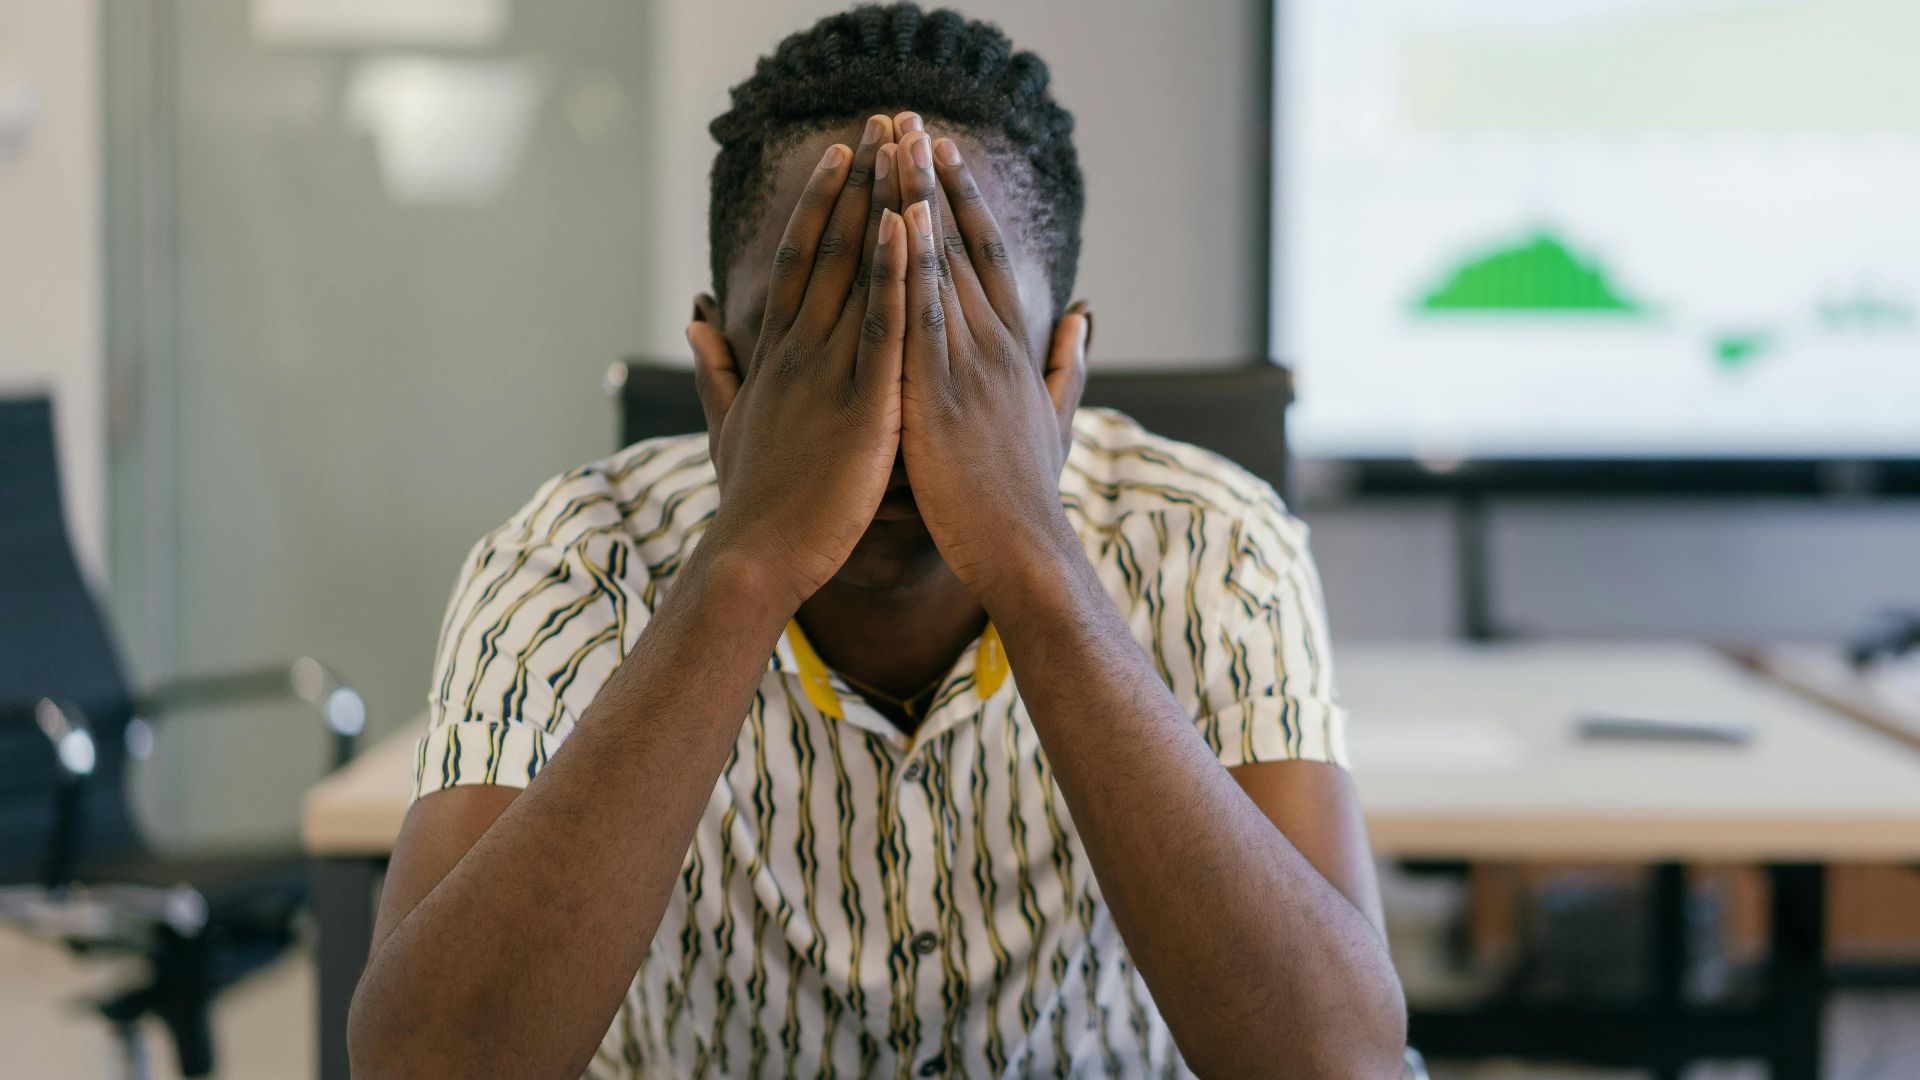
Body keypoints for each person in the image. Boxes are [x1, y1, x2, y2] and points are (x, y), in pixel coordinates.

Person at [347, 5, 1406, 1077]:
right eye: (822, 341)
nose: (894, 419)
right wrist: (747, 562)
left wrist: (1030, 554)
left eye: (965, 348)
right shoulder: (572, 561)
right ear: (722, 368)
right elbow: (424, 1066)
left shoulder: (1207, 542)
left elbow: (1336, 1064)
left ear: (1061, 370)